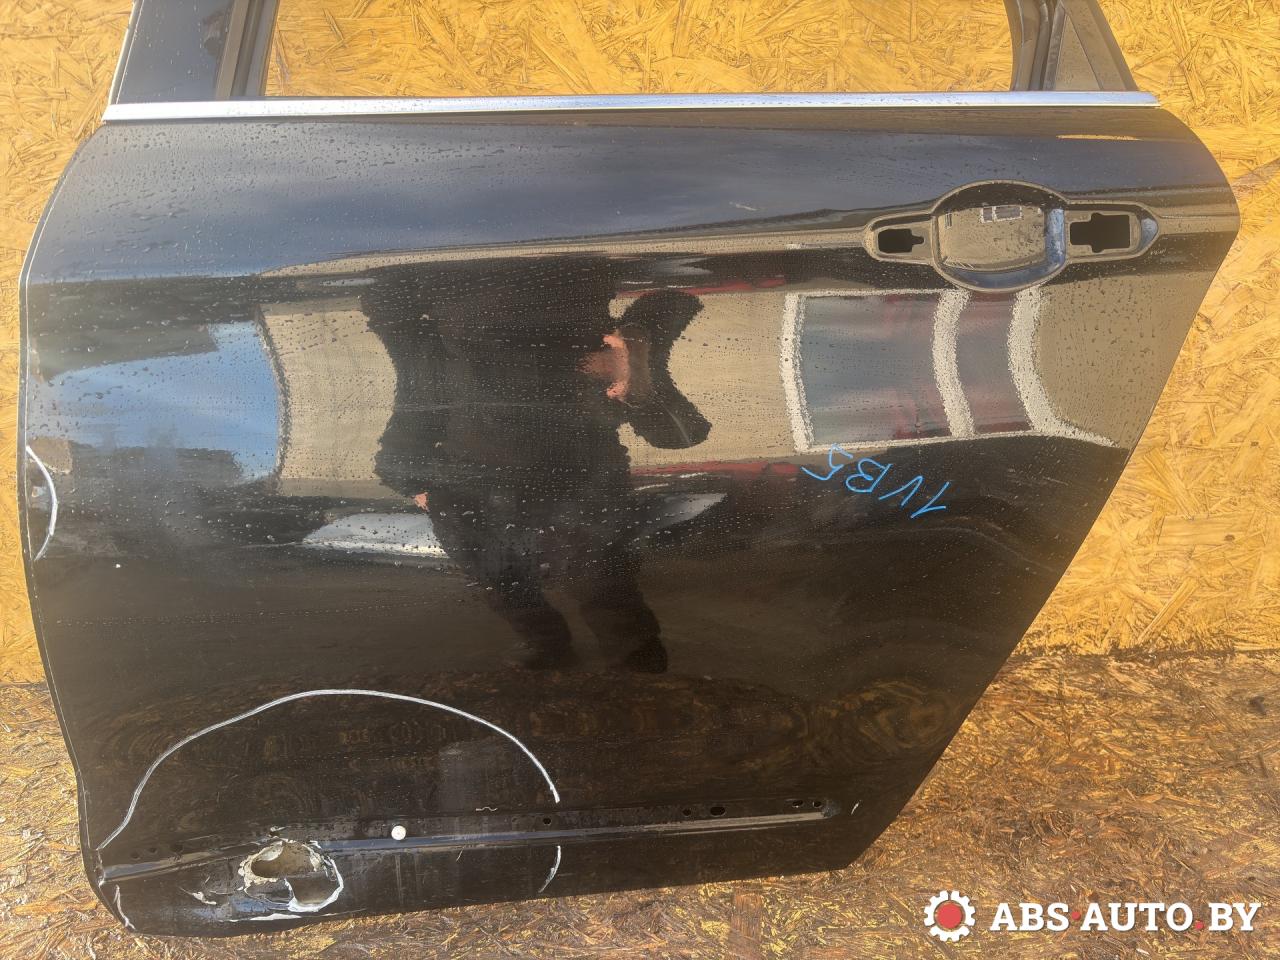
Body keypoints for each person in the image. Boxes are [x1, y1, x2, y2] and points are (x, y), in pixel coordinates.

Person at [363, 258, 709, 672]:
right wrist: (422, 487)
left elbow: (679, 434)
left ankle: (622, 661)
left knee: (598, 585)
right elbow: (410, 407)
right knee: (506, 582)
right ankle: (552, 643)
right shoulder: (445, 356)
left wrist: (636, 369)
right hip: (478, 490)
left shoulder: (604, 351)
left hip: (573, 486)